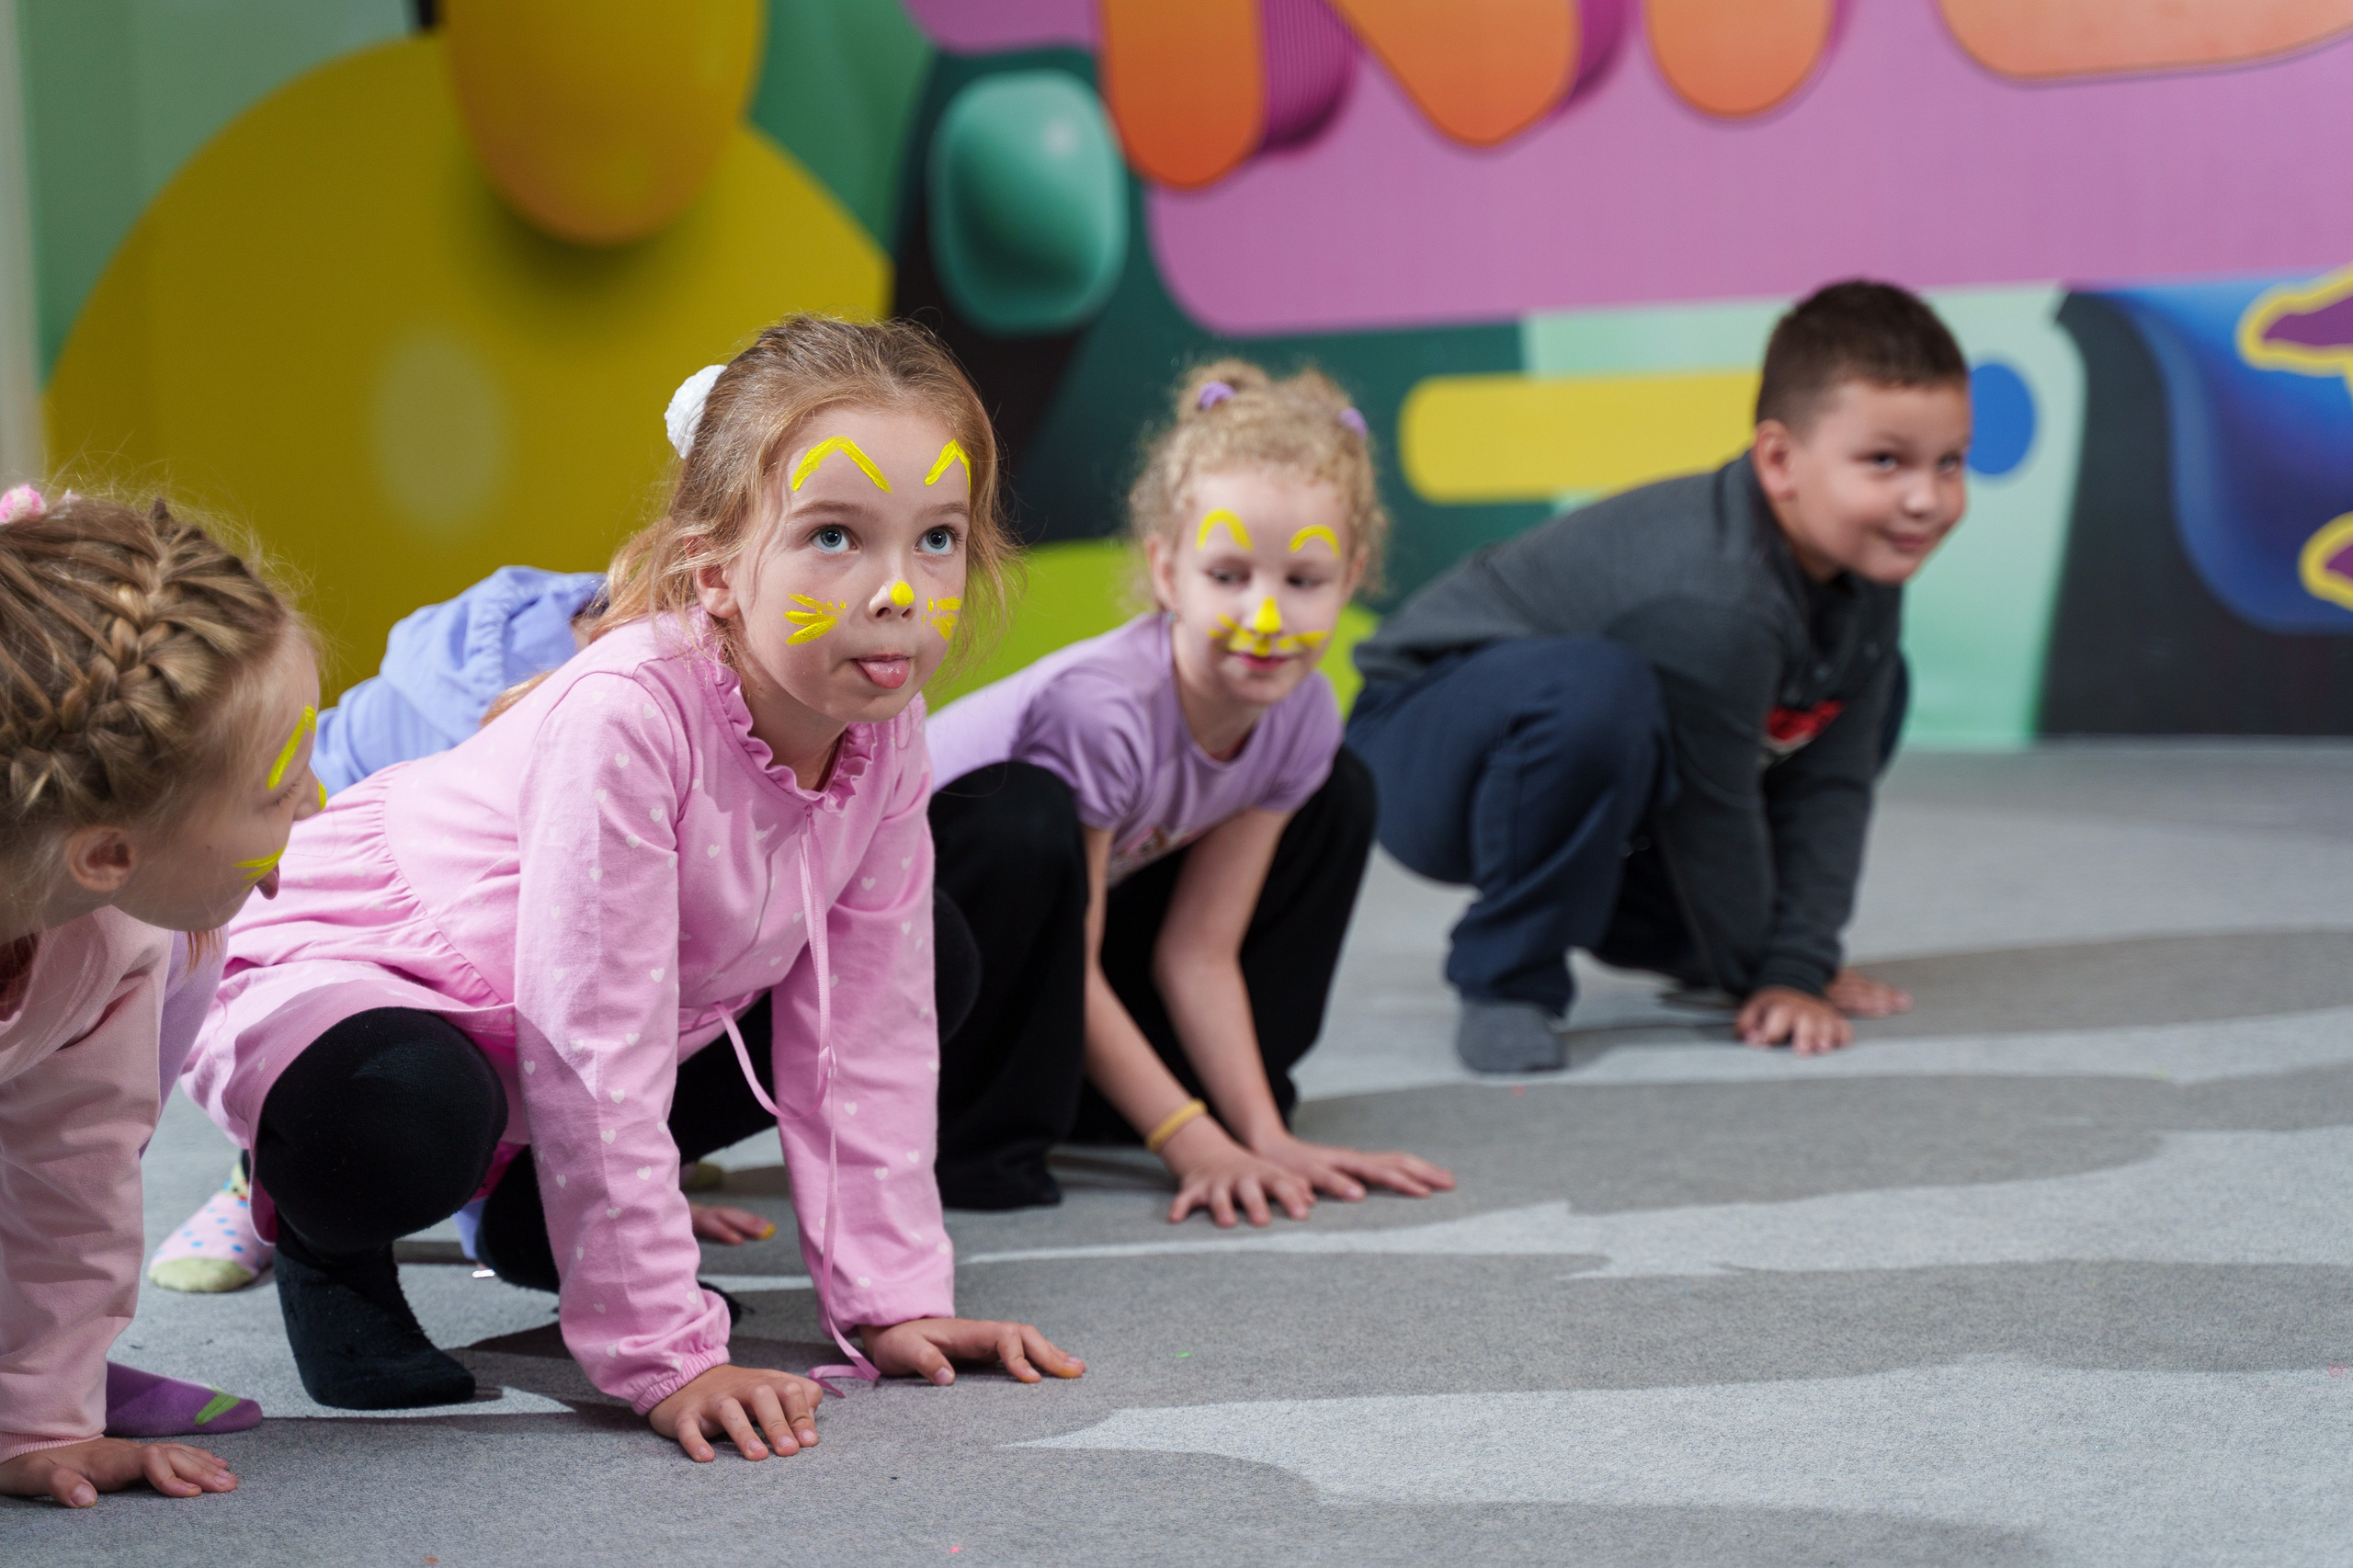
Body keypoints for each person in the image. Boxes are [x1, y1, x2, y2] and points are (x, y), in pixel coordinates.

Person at [181, 316, 1082, 1461]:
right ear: (714, 570)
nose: (900, 589)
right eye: (834, 535)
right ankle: (324, 1239)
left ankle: (533, 1218)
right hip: (364, 973)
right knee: (408, 1109)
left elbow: (869, 1027)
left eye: (939, 537)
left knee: (932, 958)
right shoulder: (625, 715)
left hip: (557, 1023)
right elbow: (593, 1044)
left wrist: (893, 1299)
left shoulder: (882, 722)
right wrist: (664, 1349)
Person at [1347, 279, 1969, 1072]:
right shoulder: (1718, 600)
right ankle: (1505, 979)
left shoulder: (1865, 559)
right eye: (1885, 461)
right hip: (1419, 748)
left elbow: (1831, 787)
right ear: (1780, 461)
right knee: (1597, 692)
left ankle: (1669, 935)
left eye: (1949, 463)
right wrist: (1765, 975)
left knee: (1858, 695)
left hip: (1577, 747)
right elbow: (1715, 810)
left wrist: (1794, 963)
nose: (1925, 499)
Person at [145, 566, 817, 1292]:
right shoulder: (585, 716)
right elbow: (373, 937)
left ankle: (501, 1180)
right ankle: (260, 1178)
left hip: (488, 973)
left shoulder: (683, 694)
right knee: (371, 1088)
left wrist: (627, 1190)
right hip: (327, 950)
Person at [925, 360, 1455, 1225]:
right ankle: (972, 1139)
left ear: (1351, 578)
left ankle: (1124, 1106)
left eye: (1303, 582)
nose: (1266, 617)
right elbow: (1068, 957)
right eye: (1229, 576)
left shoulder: (1301, 710)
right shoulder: (1104, 712)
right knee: (1027, 815)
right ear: (1168, 572)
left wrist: (1262, 1134)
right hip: (919, 957)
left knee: (1339, 786)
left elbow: (1199, 950)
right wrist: (1189, 1141)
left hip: (1057, 964)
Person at [0, 489, 303, 1507]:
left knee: (188, 949)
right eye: (277, 791)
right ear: (107, 852)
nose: (312, 802)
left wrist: (40, 1418)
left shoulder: (110, 931)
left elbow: (72, 1183)